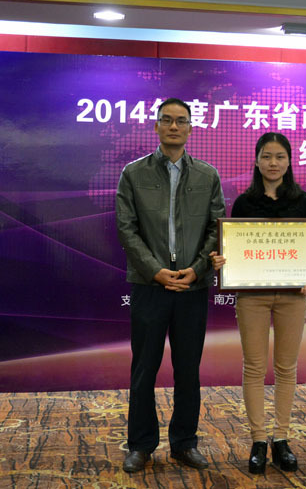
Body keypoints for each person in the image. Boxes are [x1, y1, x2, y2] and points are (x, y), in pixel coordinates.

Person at [116, 97, 225, 472]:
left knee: (188, 370)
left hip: (192, 288)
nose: (174, 126)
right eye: (167, 120)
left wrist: (196, 269)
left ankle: (184, 443)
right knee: (144, 368)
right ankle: (140, 444)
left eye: (181, 121)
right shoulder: (134, 173)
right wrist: (155, 271)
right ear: (157, 126)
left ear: (191, 128)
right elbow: (126, 229)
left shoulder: (207, 175)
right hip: (150, 286)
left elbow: (216, 228)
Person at [210, 132, 306, 473]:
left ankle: (281, 438)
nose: (273, 163)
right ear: (256, 161)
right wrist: (223, 261)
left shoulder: (303, 201)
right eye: (267, 156)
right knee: (254, 367)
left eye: (280, 156)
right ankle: (258, 439)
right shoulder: (244, 203)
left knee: (286, 367)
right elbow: (235, 248)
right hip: (252, 296)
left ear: (289, 161)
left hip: (293, 296)